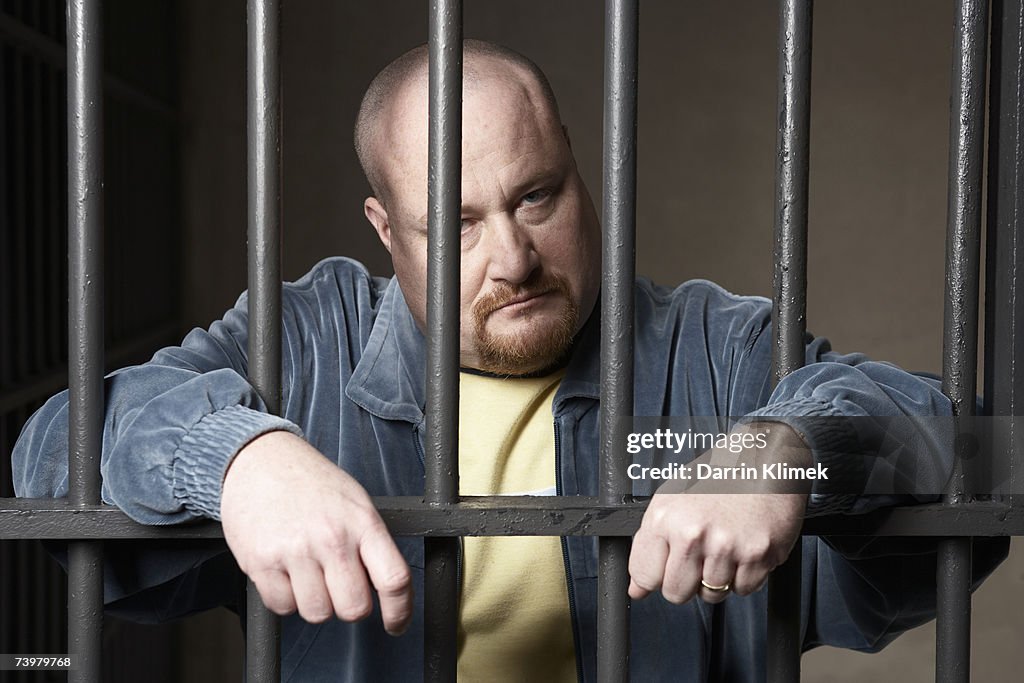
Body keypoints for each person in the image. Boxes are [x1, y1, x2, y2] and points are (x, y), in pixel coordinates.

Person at [12, 40, 1007, 682]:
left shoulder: (710, 353)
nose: (514, 257)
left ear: (581, 168)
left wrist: (773, 455)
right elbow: (55, 449)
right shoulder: (306, 345)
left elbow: (954, 453)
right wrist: (235, 458)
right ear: (384, 230)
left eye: (537, 196)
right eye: (455, 223)